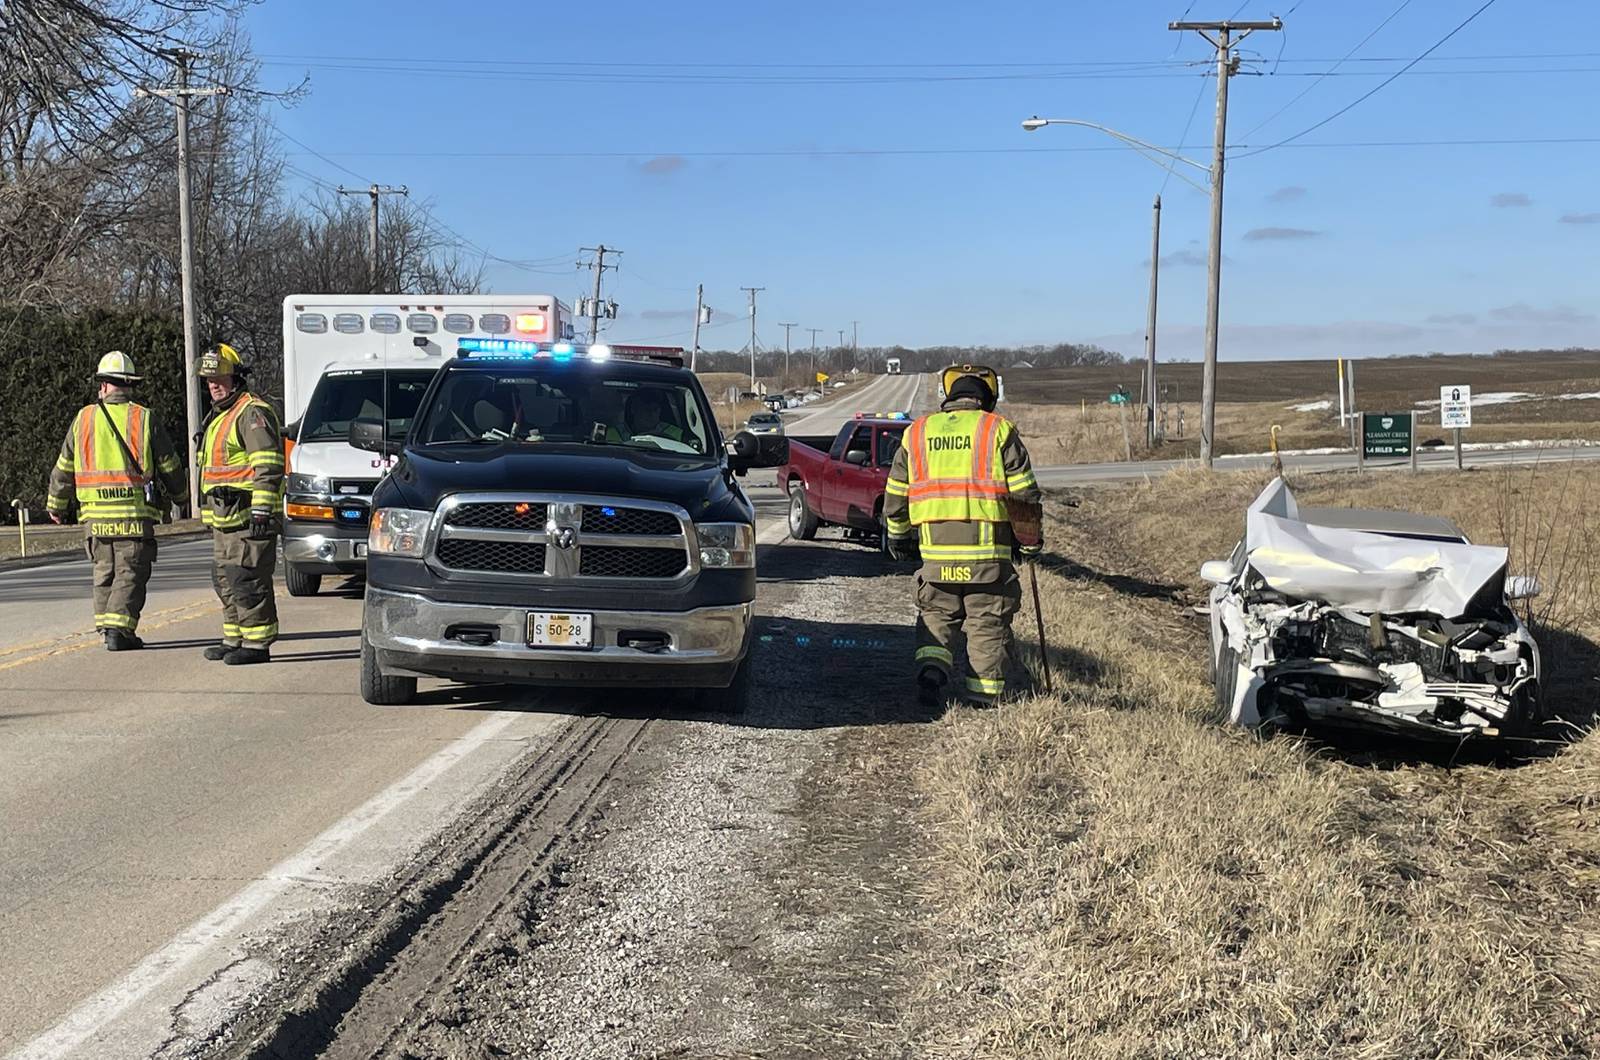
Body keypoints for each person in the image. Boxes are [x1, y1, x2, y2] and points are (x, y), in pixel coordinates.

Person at [883, 365, 1043, 707]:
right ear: (987, 398)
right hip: (987, 556)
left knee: (936, 615)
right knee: (986, 622)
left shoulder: (917, 432)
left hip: (936, 556)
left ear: (949, 396)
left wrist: (899, 538)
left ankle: (931, 669)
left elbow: (895, 493)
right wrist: (1029, 543)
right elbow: (1024, 494)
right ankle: (982, 698)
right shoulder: (998, 430)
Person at [45, 352, 189, 650]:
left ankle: (108, 628)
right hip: (132, 518)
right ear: (129, 385)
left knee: (104, 573)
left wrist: (56, 505)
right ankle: (117, 630)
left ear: (104, 386)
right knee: (130, 573)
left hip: (95, 520)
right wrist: (181, 496)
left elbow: (63, 466)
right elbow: (169, 464)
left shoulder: (83, 419)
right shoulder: (143, 418)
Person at [196, 343, 284, 664]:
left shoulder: (251, 413)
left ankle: (258, 644)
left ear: (236, 378)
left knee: (248, 578)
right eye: (209, 380)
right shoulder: (220, 416)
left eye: (220, 378)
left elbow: (268, 464)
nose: (214, 385)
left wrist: (262, 508)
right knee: (224, 579)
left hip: (249, 518)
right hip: (224, 521)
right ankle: (234, 636)